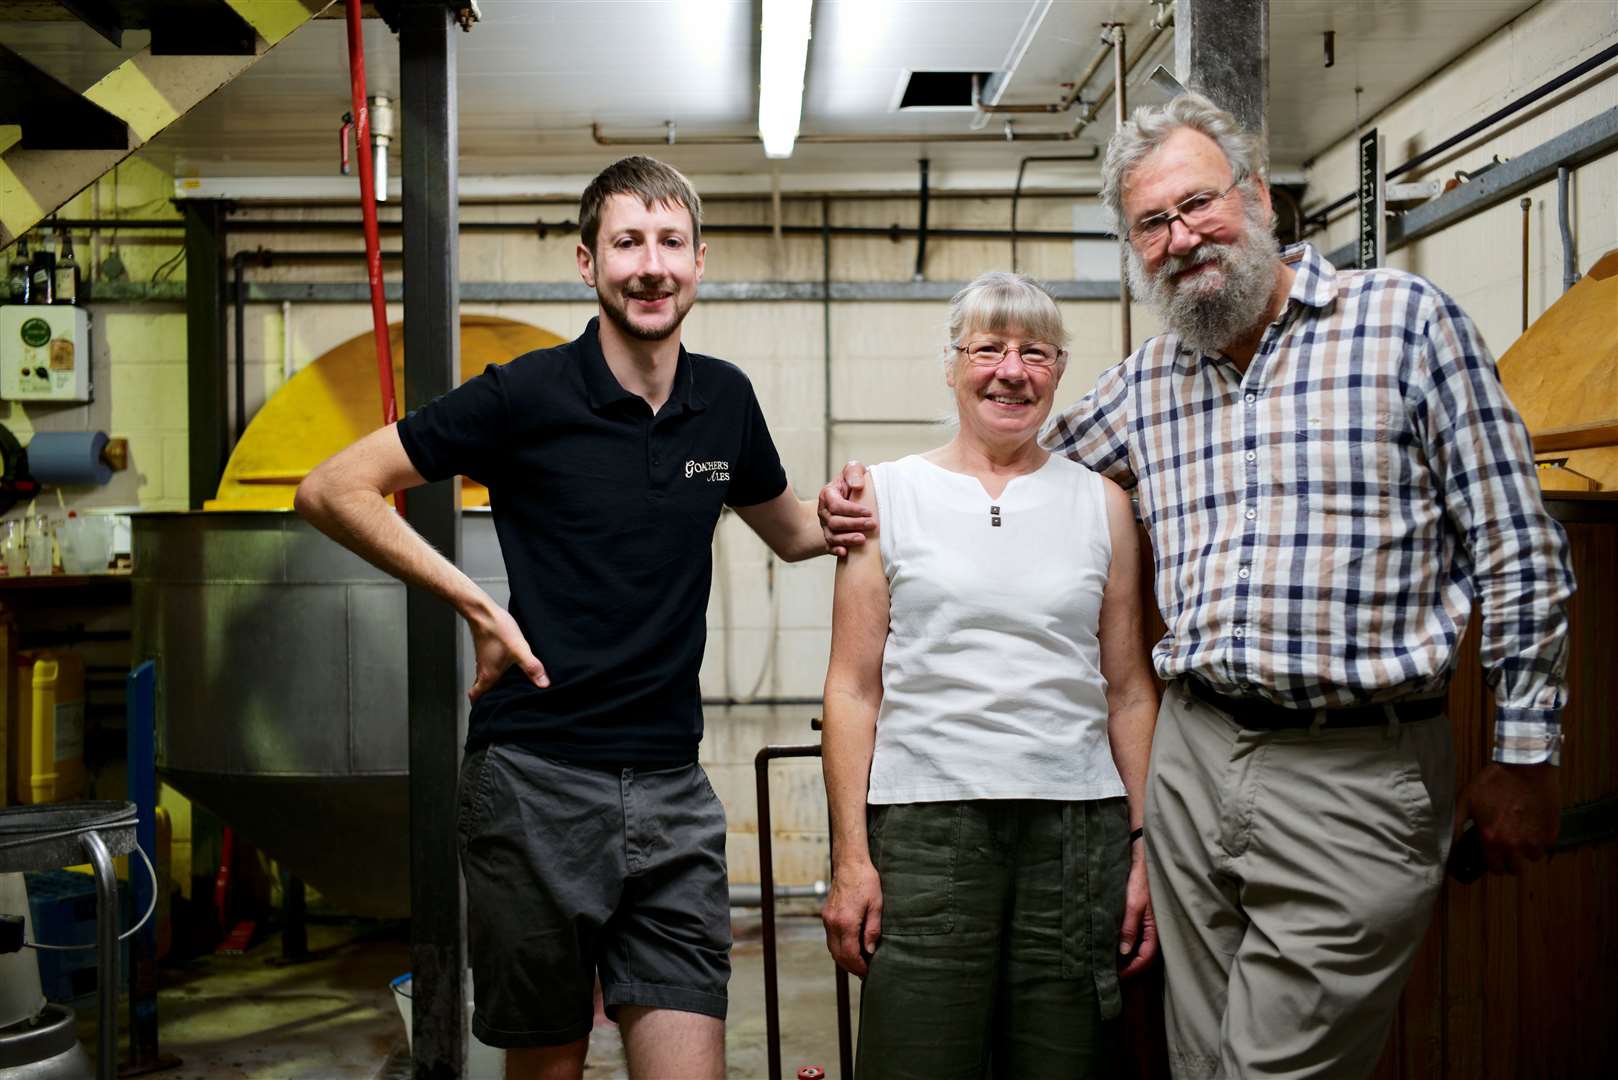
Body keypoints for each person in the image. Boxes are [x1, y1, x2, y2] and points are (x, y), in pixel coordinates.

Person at [821, 93, 1574, 1079]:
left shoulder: (1402, 323)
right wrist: (860, 503)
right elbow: (1015, 465)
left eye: (1196, 204)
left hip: (1354, 766)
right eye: (1151, 224)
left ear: (1256, 198)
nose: (1179, 238)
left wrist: (1524, 751)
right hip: (1193, 760)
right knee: (1198, 1055)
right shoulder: (1150, 380)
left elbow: (1512, 539)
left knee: (1270, 1067)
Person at [296, 156, 828, 1080]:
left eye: (671, 243)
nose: (651, 266)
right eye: (628, 243)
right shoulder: (527, 394)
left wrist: (880, 499)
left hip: (672, 790)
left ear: (701, 261)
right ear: (589, 262)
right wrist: (475, 603)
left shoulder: (725, 403)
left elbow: (798, 532)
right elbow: (334, 487)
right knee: (550, 1067)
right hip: (535, 785)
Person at [820, 272, 1158, 1079]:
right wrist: (851, 859)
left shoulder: (1102, 504)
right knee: (917, 1059)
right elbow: (851, 689)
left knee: (1062, 1062)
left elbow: (1129, 690)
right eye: (989, 349)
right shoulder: (886, 495)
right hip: (927, 830)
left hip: (1076, 836)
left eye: (1035, 353)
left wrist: (1145, 849)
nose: (1012, 370)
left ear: (1059, 371)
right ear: (951, 365)